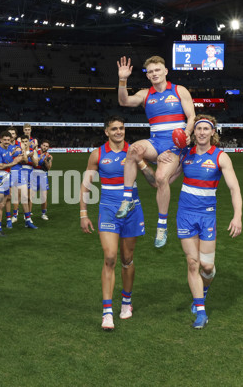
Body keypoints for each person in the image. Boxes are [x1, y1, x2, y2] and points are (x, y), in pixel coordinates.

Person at [162, 114, 242, 329]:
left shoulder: (220, 157)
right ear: (194, 132)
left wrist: (237, 216)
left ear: (212, 132)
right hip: (185, 215)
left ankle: (204, 289)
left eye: (206, 129)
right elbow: (165, 182)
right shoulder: (185, 154)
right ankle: (200, 311)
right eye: (199, 129)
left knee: (207, 266)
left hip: (207, 216)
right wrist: (158, 163)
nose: (202, 132)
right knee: (192, 262)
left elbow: (234, 188)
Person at [80, 116, 157, 330]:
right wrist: (83, 213)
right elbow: (86, 184)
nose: (118, 132)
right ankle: (107, 312)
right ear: (106, 131)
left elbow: (154, 182)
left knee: (127, 258)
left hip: (132, 208)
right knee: (110, 257)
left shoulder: (135, 151)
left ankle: (126, 301)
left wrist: (141, 161)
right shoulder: (97, 154)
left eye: (121, 128)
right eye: (114, 129)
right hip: (108, 208)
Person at [116, 55, 196, 248]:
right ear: (147, 75)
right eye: (150, 71)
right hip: (155, 142)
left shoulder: (179, 90)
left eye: (157, 70)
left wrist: (186, 134)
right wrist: (123, 79)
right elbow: (124, 101)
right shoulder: (146, 94)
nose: (154, 74)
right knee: (133, 149)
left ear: (165, 71)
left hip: (175, 146)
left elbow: (192, 116)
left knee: (161, 179)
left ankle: (162, 225)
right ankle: (128, 199)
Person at [0, 131, 23, 237]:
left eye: (8, 140)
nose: (7, 142)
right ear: (0, 140)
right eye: (4, 140)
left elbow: (11, 155)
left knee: (3, 203)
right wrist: (14, 162)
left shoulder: (8, 149)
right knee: (0, 204)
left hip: (6, 176)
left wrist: (18, 153)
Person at [32, 139, 53, 220]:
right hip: (34, 174)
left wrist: (46, 162)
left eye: (46, 146)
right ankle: (28, 213)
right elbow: (33, 164)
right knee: (31, 196)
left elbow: (48, 168)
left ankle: (43, 213)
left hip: (43, 175)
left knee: (43, 196)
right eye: (44, 145)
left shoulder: (49, 156)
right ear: (41, 145)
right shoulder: (35, 153)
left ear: (48, 148)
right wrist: (39, 159)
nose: (45, 147)